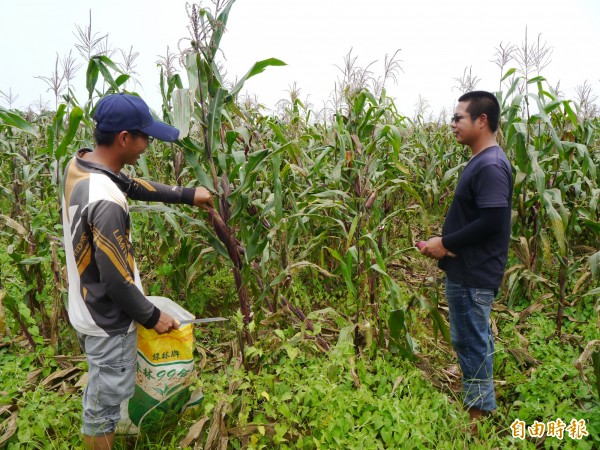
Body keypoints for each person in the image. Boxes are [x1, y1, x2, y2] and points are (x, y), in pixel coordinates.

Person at [61, 93, 213, 449]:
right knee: (102, 410)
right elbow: (115, 281)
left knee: (103, 393)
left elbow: (129, 185)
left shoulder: (81, 164)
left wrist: (188, 195)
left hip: (85, 307)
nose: (148, 145)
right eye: (145, 137)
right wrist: (152, 315)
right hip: (108, 322)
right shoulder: (106, 202)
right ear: (125, 138)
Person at [419, 91, 513, 431]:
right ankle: (482, 401)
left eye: (459, 117)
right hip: (470, 269)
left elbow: (492, 221)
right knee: (475, 338)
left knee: (470, 341)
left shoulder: (489, 164)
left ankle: (477, 420)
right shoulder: (485, 159)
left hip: (472, 273)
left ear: (482, 120)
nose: (453, 123)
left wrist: (443, 243)